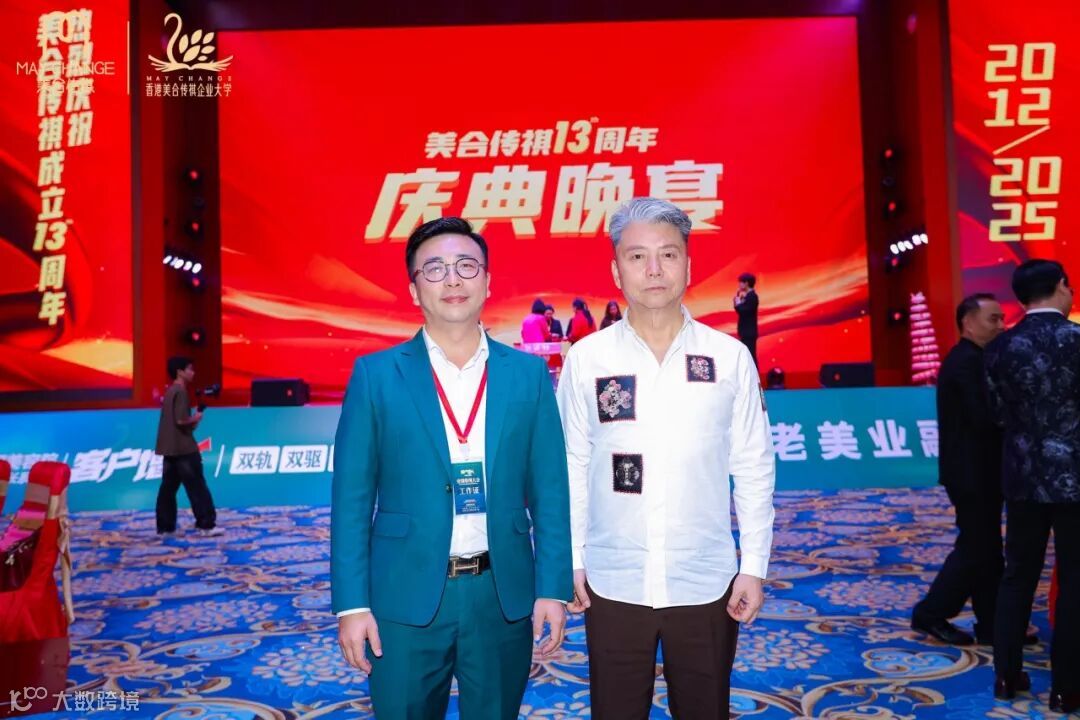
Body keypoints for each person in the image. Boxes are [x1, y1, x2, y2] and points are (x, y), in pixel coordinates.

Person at [332, 217, 573, 719]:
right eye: (435, 269)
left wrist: (552, 587)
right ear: (414, 289)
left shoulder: (527, 375)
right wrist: (352, 605)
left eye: (466, 266)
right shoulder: (377, 376)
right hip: (403, 596)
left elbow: (550, 492)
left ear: (487, 281)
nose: (452, 280)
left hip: (501, 594)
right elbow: (351, 501)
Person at [556, 197, 775, 719]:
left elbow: (753, 467)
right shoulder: (587, 360)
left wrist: (754, 566)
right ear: (617, 271)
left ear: (688, 266)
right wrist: (572, 559)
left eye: (668, 254)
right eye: (637, 256)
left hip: (706, 581)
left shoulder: (728, 358)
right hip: (612, 581)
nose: (653, 269)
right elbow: (571, 466)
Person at [985, 259, 1079, 713]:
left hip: (1022, 477)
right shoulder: (1077, 340)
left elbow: (996, 414)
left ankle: (1006, 676)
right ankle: (1067, 687)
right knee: (1075, 581)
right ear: (1061, 287)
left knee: (1017, 576)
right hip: (1076, 481)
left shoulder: (1000, 346)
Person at [911, 294, 1008, 646]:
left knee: (987, 549)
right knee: (976, 548)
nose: (1001, 326)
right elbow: (984, 418)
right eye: (993, 319)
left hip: (981, 471)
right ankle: (931, 613)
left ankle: (992, 623)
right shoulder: (965, 363)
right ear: (968, 322)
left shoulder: (977, 358)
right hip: (971, 473)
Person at [154, 356, 219, 536]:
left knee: (168, 488)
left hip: (170, 449)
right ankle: (206, 524)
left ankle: (165, 527)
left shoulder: (170, 391)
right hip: (184, 449)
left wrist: (194, 419)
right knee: (197, 486)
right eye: (189, 369)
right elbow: (181, 420)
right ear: (179, 372)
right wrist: (195, 417)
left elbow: (178, 422)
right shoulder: (181, 392)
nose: (193, 372)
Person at [734, 272, 759, 367]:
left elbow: (744, 311)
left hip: (749, 332)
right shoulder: (747, 296)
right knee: (747, 356)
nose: (739, 285)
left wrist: (738, 303)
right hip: (746, 332)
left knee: (751, 356)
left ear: (746, 283)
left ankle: (755, 375)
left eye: (741, 282)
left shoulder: (752, 296)